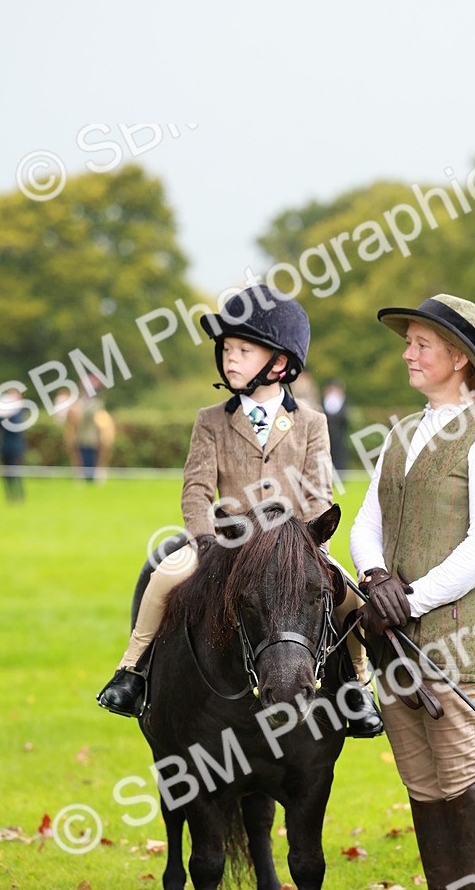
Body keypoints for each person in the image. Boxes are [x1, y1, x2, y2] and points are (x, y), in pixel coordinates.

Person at [97, 283, 383, 738]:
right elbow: (195, 489)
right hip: (225, 542)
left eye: (244, 350)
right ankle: (132, 671)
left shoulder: (312, 423)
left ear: (280, 363)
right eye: (227, 349)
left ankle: (358, 687)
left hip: (293, 546)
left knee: (348, 597)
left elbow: (317, 492)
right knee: (164, 576)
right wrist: (203, 538)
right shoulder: (210, 420)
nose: (230, 358)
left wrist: (312, 545)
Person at [350, 293, 475, 890]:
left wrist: (411, 597)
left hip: (460, 641)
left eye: (422, 343)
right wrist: (374, 582)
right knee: (425, 785)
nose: (408, 353)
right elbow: (368, 521)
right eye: (409, 342)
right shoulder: (401, 434)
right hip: (395, 638)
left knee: (467, 778)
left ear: (460, 358)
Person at [64, 378, 115, 481]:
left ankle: (94, 478)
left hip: (93, 439)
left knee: (93, 461)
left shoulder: (98, 404)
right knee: (82, 461)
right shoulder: (79, 405)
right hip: (81, 438)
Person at [0, 388, 29, 501]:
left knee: (17, 472)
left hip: (17, 447)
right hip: (4, 446)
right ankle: (10, 495)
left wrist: (10, 415)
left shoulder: (20, 412)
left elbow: (18, 427)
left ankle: (20, 495)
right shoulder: (2, 415)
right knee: (6, 473)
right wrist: (2, 415)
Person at [322, 380, 350, 472]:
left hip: (340, 434)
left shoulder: (344, 401)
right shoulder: (323, 401)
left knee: (339, 456)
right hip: (326, 433)